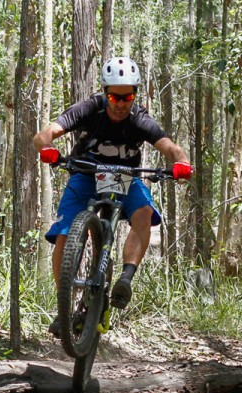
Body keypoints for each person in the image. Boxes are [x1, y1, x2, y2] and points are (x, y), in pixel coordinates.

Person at [33, 56, 192, 336]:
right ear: (105, 93)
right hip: (85, 174)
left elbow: (169, 146)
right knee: (65, 234)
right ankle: (64, 308)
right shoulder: (89, 109)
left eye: (127, 96)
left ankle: (125, 279)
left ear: (135, 95)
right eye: (114, 96)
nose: (120, 103)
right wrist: (47, 148)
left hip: (125, 178)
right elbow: (45, 134)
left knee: (144, 213)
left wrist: (181, 162)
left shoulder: (139, 118)